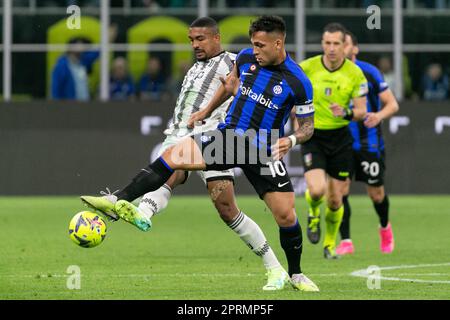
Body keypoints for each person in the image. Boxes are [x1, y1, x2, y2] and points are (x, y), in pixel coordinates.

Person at [81, 15, 319, 292]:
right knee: (173, 157)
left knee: (286, 215)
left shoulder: (299, 81)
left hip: (262, 147)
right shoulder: (245, 59)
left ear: (278, 43)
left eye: (261, 45)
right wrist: (206, 111)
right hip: (228, 137)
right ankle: (116, 199)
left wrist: (291, 140)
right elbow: (229, 84)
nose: (255, 50)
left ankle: (296, 274)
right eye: (253, 44)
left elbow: (308, 127)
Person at [298, 23, 368, 259]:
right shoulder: (306, 67)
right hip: (313, 136)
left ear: (344, 45)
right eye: (327, 43)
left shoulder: (355, 73)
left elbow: (361, 111)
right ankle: (313, 214)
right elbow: (288, 93)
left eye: (336, 43)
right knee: (317, 190)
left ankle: (329, 245)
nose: (331, 48)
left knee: (336, 200)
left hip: (340, 139)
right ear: (322, 44)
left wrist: (346, 113)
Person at [335, 31, 399, 255]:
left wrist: (378, 116)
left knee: (376, 193)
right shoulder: (331, 73)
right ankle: (346, 241)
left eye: (345, 44)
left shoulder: (369, 72)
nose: (340, 48)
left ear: (355, 48)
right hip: (341, 142)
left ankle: (384, 227)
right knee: (340, 191)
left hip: (368, 142)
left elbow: (392, 104)